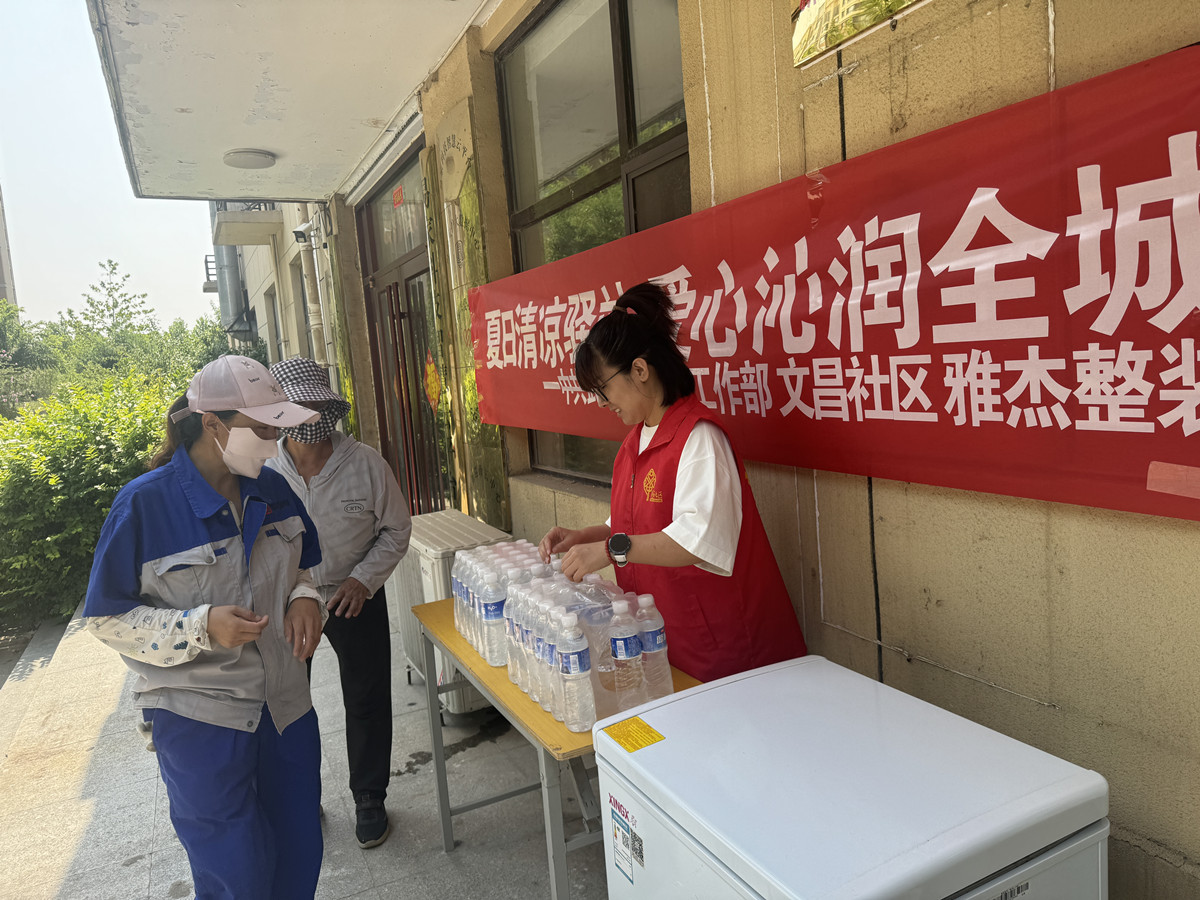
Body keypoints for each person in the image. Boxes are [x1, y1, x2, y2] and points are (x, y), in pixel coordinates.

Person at [82, 355, 327, 900]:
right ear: (212, 423)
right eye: (261, 429)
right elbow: (105, 618)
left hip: (286, 709)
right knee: (235, 875)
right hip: (200, 722)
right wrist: (199, 626)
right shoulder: (143, 507)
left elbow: (305, 566)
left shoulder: (274, 490)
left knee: (298, 853)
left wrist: (306, 598)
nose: (272, 444)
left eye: (277, 430)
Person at [538, 282, 807, 683]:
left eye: (603, 388)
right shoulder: (634, 443)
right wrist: (585, 537)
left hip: (724, 650)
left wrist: (609, 551)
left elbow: (698, 539)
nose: (600, 402)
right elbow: (630, 524)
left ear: (640, 370)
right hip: (668, 641)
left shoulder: (699, 438)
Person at [266, 356, 412, 849]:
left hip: (354, 596)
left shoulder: (366, 464)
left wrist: (364, 580)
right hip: (290, 603)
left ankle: (369, 796)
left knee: (367, 697)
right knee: (289, 701)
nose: (308, 420)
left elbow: (397, 530)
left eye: (316, 408)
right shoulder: (264, 470)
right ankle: (300, 795)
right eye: (296, 409)